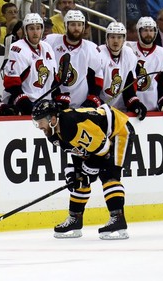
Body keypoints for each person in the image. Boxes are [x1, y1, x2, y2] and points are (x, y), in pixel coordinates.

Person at [32, 99, 135, 240]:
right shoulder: (53, 134)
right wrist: (77, 173)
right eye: (36, 122)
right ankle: (75, 219)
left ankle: (118, 219)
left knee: (109, 174)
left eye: (40, 121)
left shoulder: (72, 124)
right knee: (79, 177)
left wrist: (89, 172)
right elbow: (77, 151)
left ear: (53, 119)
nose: (39, 126)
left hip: (118, 131)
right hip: (100, 141)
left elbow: (103, 150)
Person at [43, 10, 103, 109]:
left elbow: (97, 77)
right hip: (53, 103)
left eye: (79, 25)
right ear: (66, 26)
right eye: (73, 25)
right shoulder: (50, 41)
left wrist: (93, 97)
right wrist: (55, 95)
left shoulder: (92, 49)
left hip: (80, 106)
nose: (76, 28)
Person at [3, 13, 59, 115]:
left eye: (38, 28)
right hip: (21, 107)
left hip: (44, 106)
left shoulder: (47, 48)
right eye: (31, 28)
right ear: (25, 30)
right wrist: (24, 104)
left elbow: (54, 79)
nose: (35, 32)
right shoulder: (17, 48)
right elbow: (11, 84)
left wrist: (59, 96)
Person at [128, 16, 163, 118]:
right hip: (129, 109)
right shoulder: (128, 49)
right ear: (138, 32)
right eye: (145, 30)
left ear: (155, 32)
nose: (148, 33)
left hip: (153, 111)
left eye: (151, 30)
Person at [99, 22, 147, 120]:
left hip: (121, 110)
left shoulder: (129, 54)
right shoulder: (99, 54)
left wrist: (134, 103)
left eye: (119, 37)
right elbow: (94, 87)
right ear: (107, 38)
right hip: (99, 110)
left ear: (124, 39)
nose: (116, 41)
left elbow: (128, 88)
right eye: (112, 37)